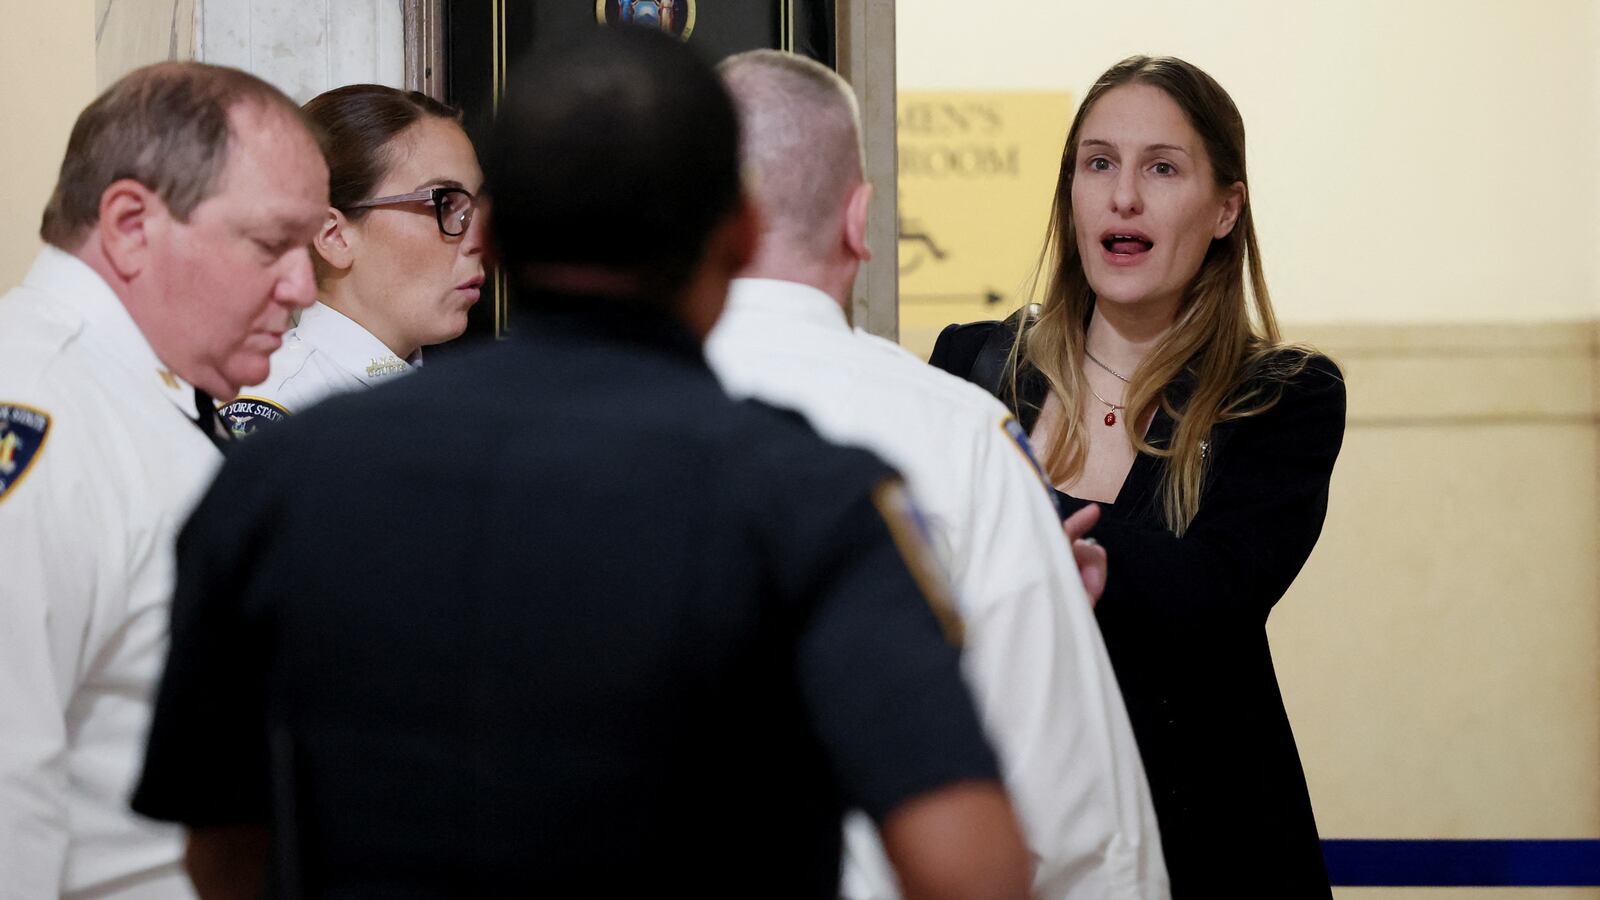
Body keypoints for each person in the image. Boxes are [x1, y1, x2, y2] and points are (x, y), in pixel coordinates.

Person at [131, 28, 1033, 900]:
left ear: (498, 232)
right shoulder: (813, 497)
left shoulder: (277, 478)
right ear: (741, 232)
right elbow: (967, 867)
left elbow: (219, 849)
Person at [708, 50, 1167, 900]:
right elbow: (1080, 836)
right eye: (1098, 164)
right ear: (861, 220)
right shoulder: (963, 438)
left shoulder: (559, 441)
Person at [928, 55, 1346, 897]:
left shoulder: (1283, 395)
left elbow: (1209, 591)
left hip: (1204, 842)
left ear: (1226, 208)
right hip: (1009, 837)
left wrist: (1015, 513)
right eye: (1098, 163)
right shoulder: (971, 364)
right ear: (1072, 195)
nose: (1124, 196)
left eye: (1162, 168)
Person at [0, 63, 327, 898]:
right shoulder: (39, 411)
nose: (302, 287)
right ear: (131, 223)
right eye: (270, 244)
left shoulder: (125, 396)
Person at [219, 85, 485, 434]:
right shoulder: (281, 410)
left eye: (478, 205)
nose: (478, 238)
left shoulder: (463, 395)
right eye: (444, 204)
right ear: (335, 236)